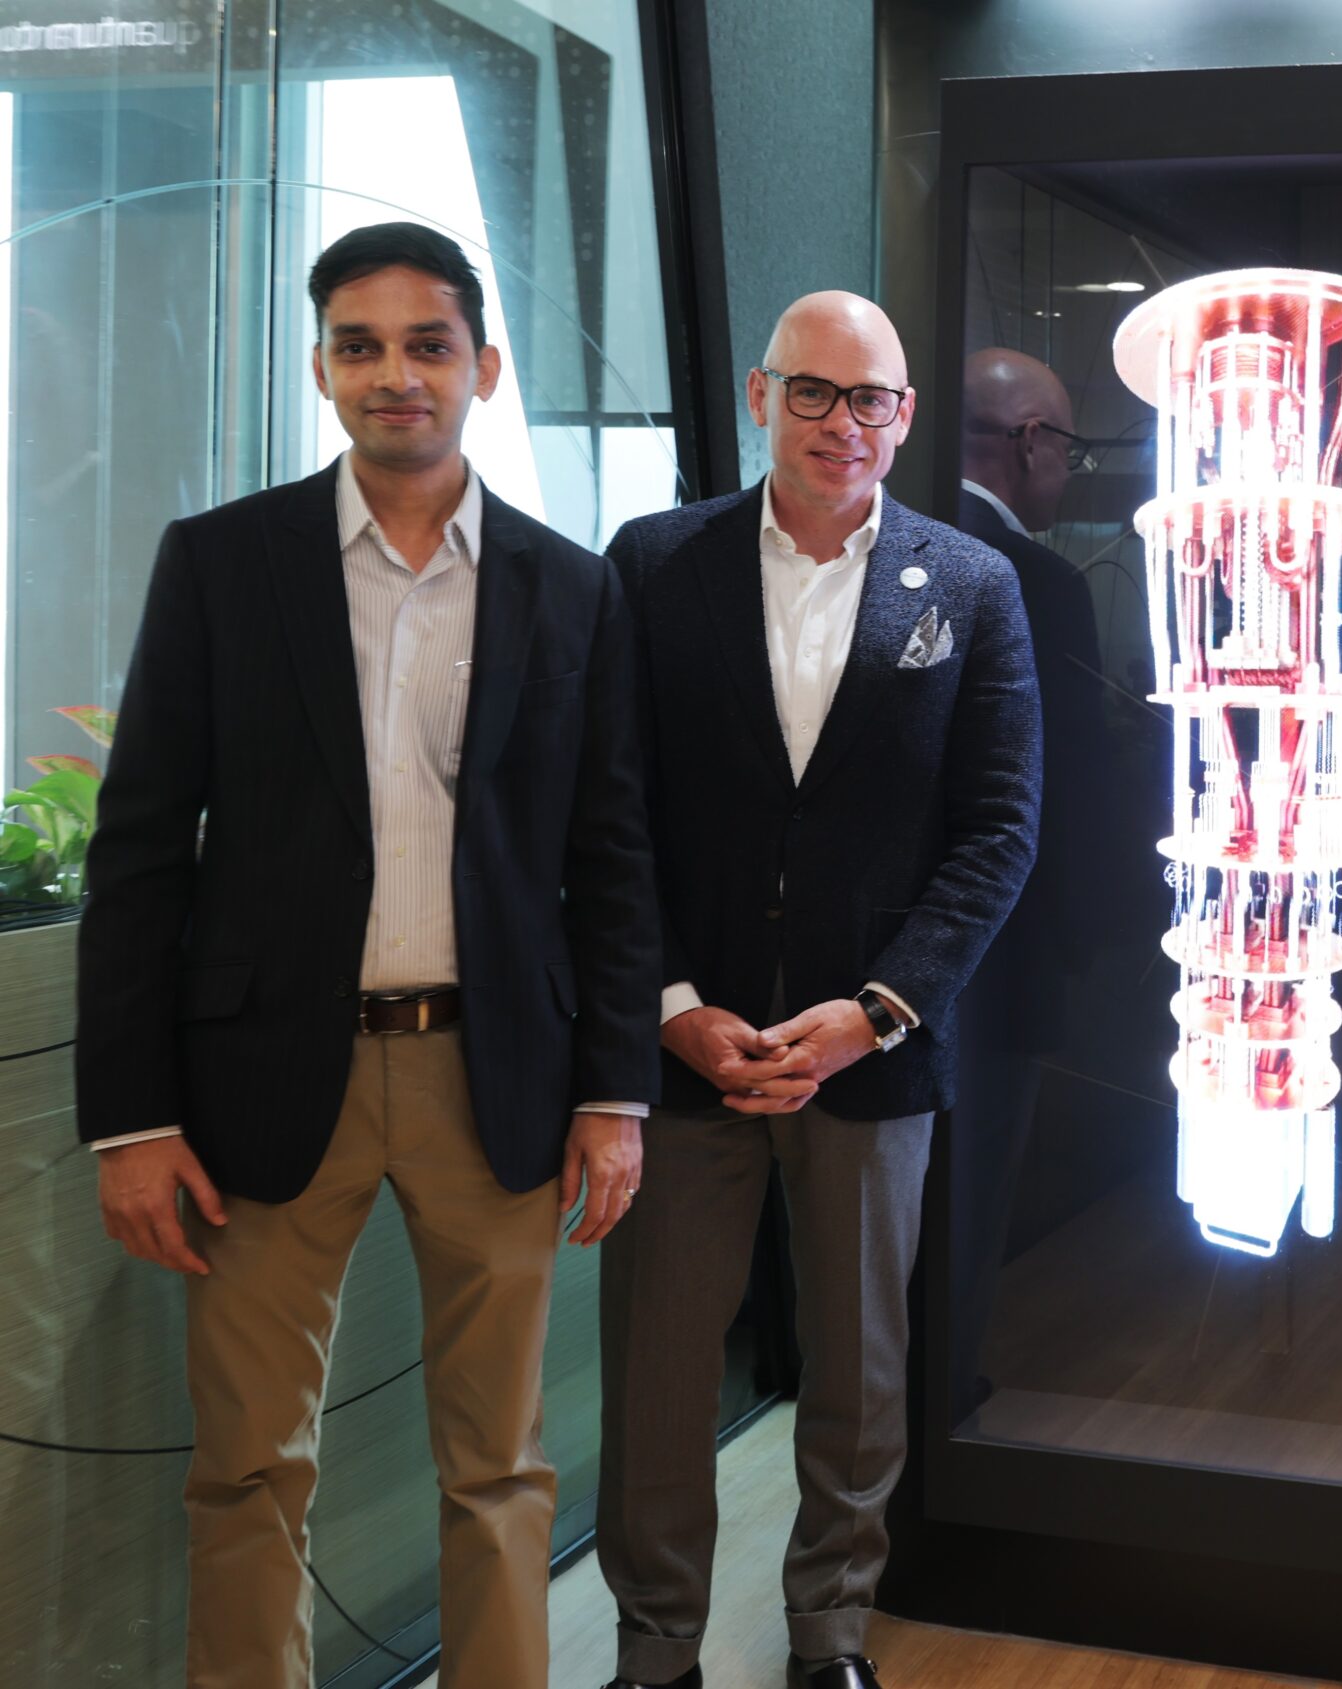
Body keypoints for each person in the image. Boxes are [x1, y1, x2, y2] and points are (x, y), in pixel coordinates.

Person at [78, 220, 660, 1689]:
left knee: (503, 1464)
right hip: (263, 1078)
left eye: (427, 345)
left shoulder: (572, 587)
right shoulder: (222, 564)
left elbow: (611, 859)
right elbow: (140, 852)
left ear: (484, 367)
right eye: (360, 345)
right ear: (322, 366)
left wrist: (615, 1091)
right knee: (247, 1464)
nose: (395, 374)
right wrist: (130, 1119)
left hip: (497, 1074)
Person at [595, 292, 1040, 1689]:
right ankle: (656, 1646)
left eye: (872, 400)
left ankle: (828, 1635)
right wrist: (671, 1003)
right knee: (661, 1375)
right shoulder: (654, 564)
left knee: (861, 1371)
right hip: (688, 1049)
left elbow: (1000, 830)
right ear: (759, 395)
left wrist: (880, 1009)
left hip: (871, 1051)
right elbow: (608, 813)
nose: (844, 424)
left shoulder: (970, 583)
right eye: (814, 393)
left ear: (904, 417)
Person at [946, 346, 1107, 1402]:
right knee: (969, 1198)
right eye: (1070, 450)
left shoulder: (883, 543)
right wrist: (1088, 936)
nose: (1069, 474)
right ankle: (945, 1398)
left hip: (862, 953)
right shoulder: (1038, 582)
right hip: (999, 957)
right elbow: (1070, 787)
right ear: (1030, 442)